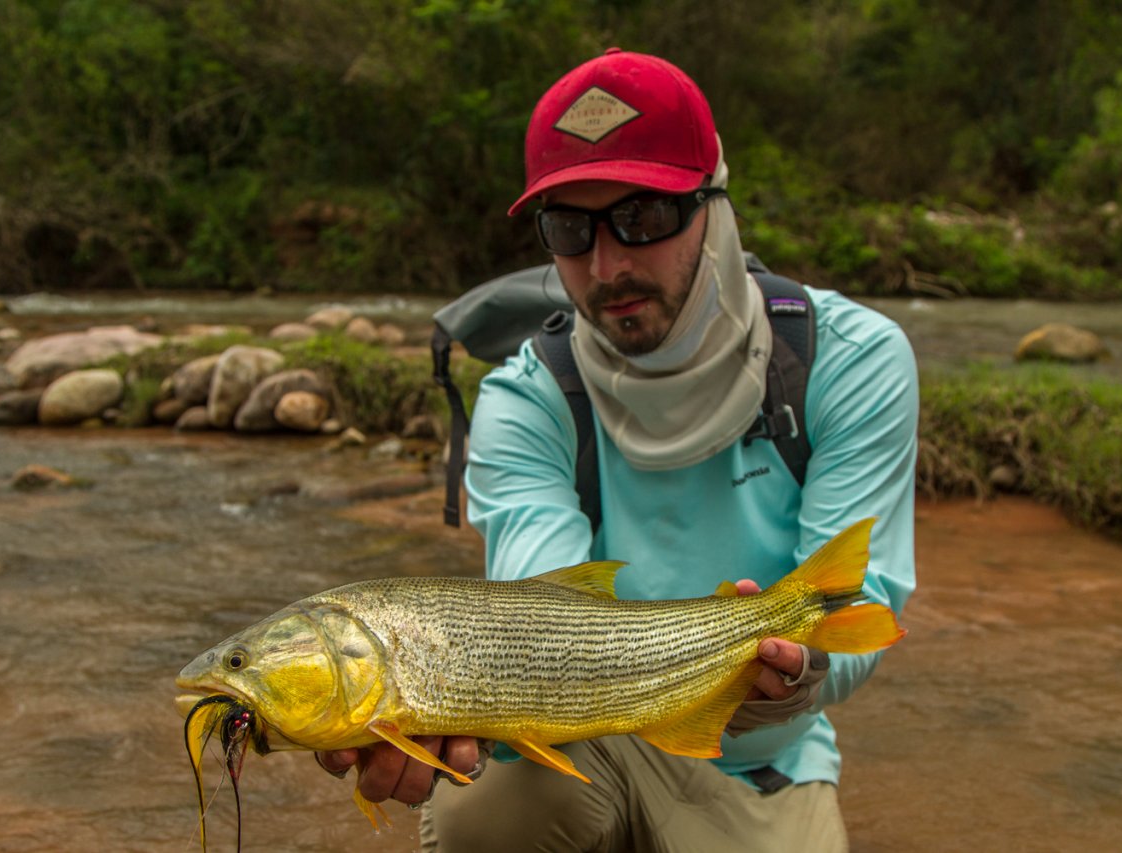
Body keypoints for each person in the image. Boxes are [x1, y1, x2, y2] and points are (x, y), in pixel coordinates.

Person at [318, 48, 918, 852]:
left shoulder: (849, 359)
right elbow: (534, 630)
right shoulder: (525, 398)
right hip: (584, 748)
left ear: (714, 205)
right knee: (480, 815)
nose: (608, 265)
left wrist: (796, 669)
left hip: (762, 764)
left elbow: (857, 611)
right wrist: (444, 703)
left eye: (645, 216)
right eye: (570, 228)